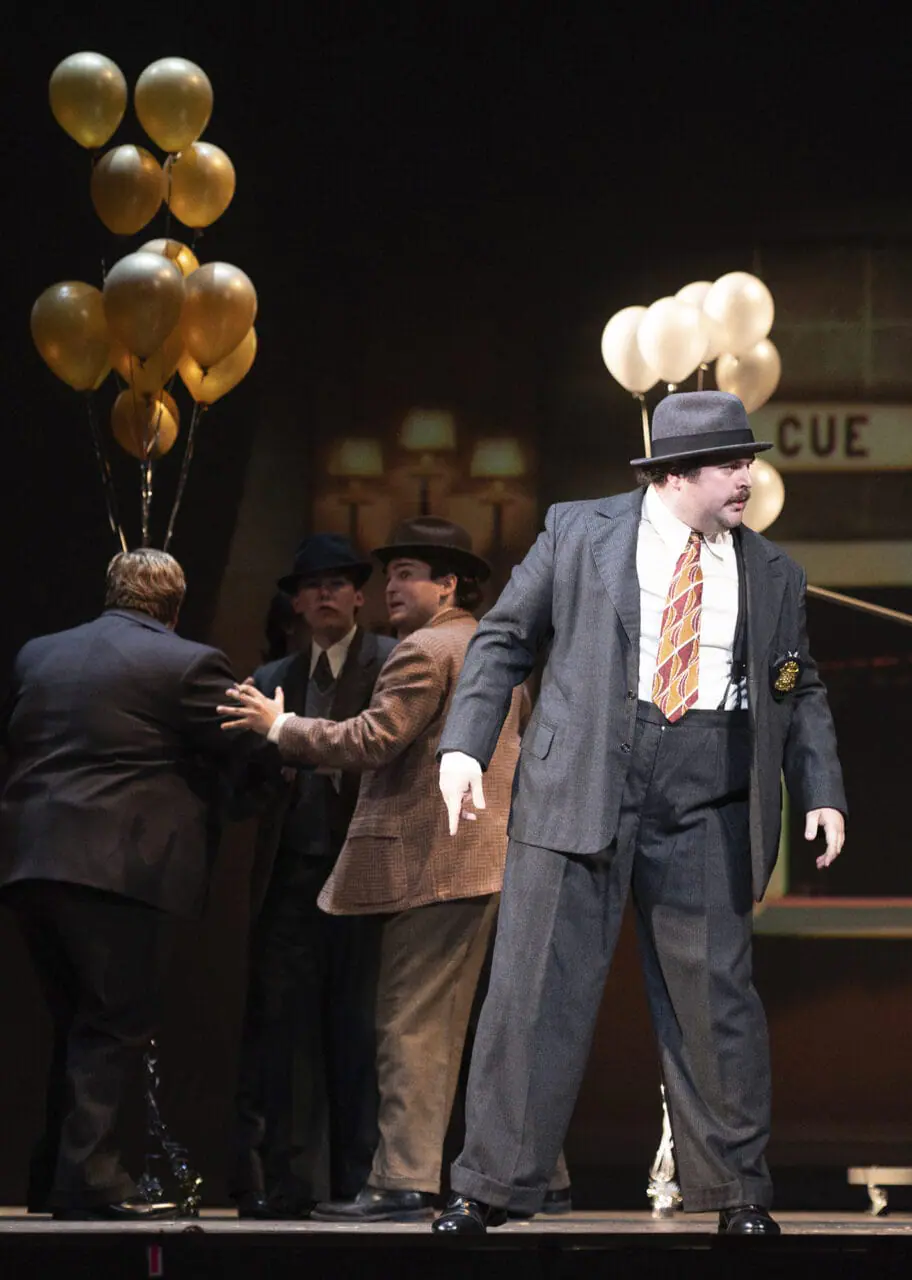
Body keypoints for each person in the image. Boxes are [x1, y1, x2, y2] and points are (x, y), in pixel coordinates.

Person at [430, 391, 847, 1237]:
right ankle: (486, 1189)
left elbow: (795, 688)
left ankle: (737, 1194)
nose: (748, 478)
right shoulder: (580, 533)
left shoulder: (773, 571)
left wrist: (823, 788)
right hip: (580, 781)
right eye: (732, 464)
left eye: (749, 461)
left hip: (707, 791)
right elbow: (505, 637)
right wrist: (464, 745)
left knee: (715, 1002)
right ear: (677, 473)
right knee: (535, 991)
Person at [218, 517, 557, 1223]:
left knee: (413, 1025)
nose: (391, 588)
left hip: (438, 862)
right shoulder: (490, 647)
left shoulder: (423, 651)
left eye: (407, 574)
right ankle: (532, 1178)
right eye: (391, 574)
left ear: (448, 584)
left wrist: (278, 728)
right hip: (493, 858)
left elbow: (371, 739)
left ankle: (404, 1178)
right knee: (490, 1030)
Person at [0, 550, 242, 1220]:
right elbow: (246, 744)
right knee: (112, 1024)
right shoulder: (187, 663)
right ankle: (94, 1181)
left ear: (111, 592)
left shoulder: (38, 655)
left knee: (74, 1020)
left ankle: (56, 1173)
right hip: (119, 870)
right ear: (174, 606)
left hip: (30, 863)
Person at [230, 534, 397, 1218]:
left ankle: (362, 1180)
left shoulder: (389, 662)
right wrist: (279, 762)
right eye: (313, 585)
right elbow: (242, 784)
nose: (326, 593)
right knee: (285, 1036)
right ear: (297, 602)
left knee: (360, 1030)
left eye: (339, 582)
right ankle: (286, 1183)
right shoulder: (272, 675)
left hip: (367, 874)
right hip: (293, 878)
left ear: (360, 595)